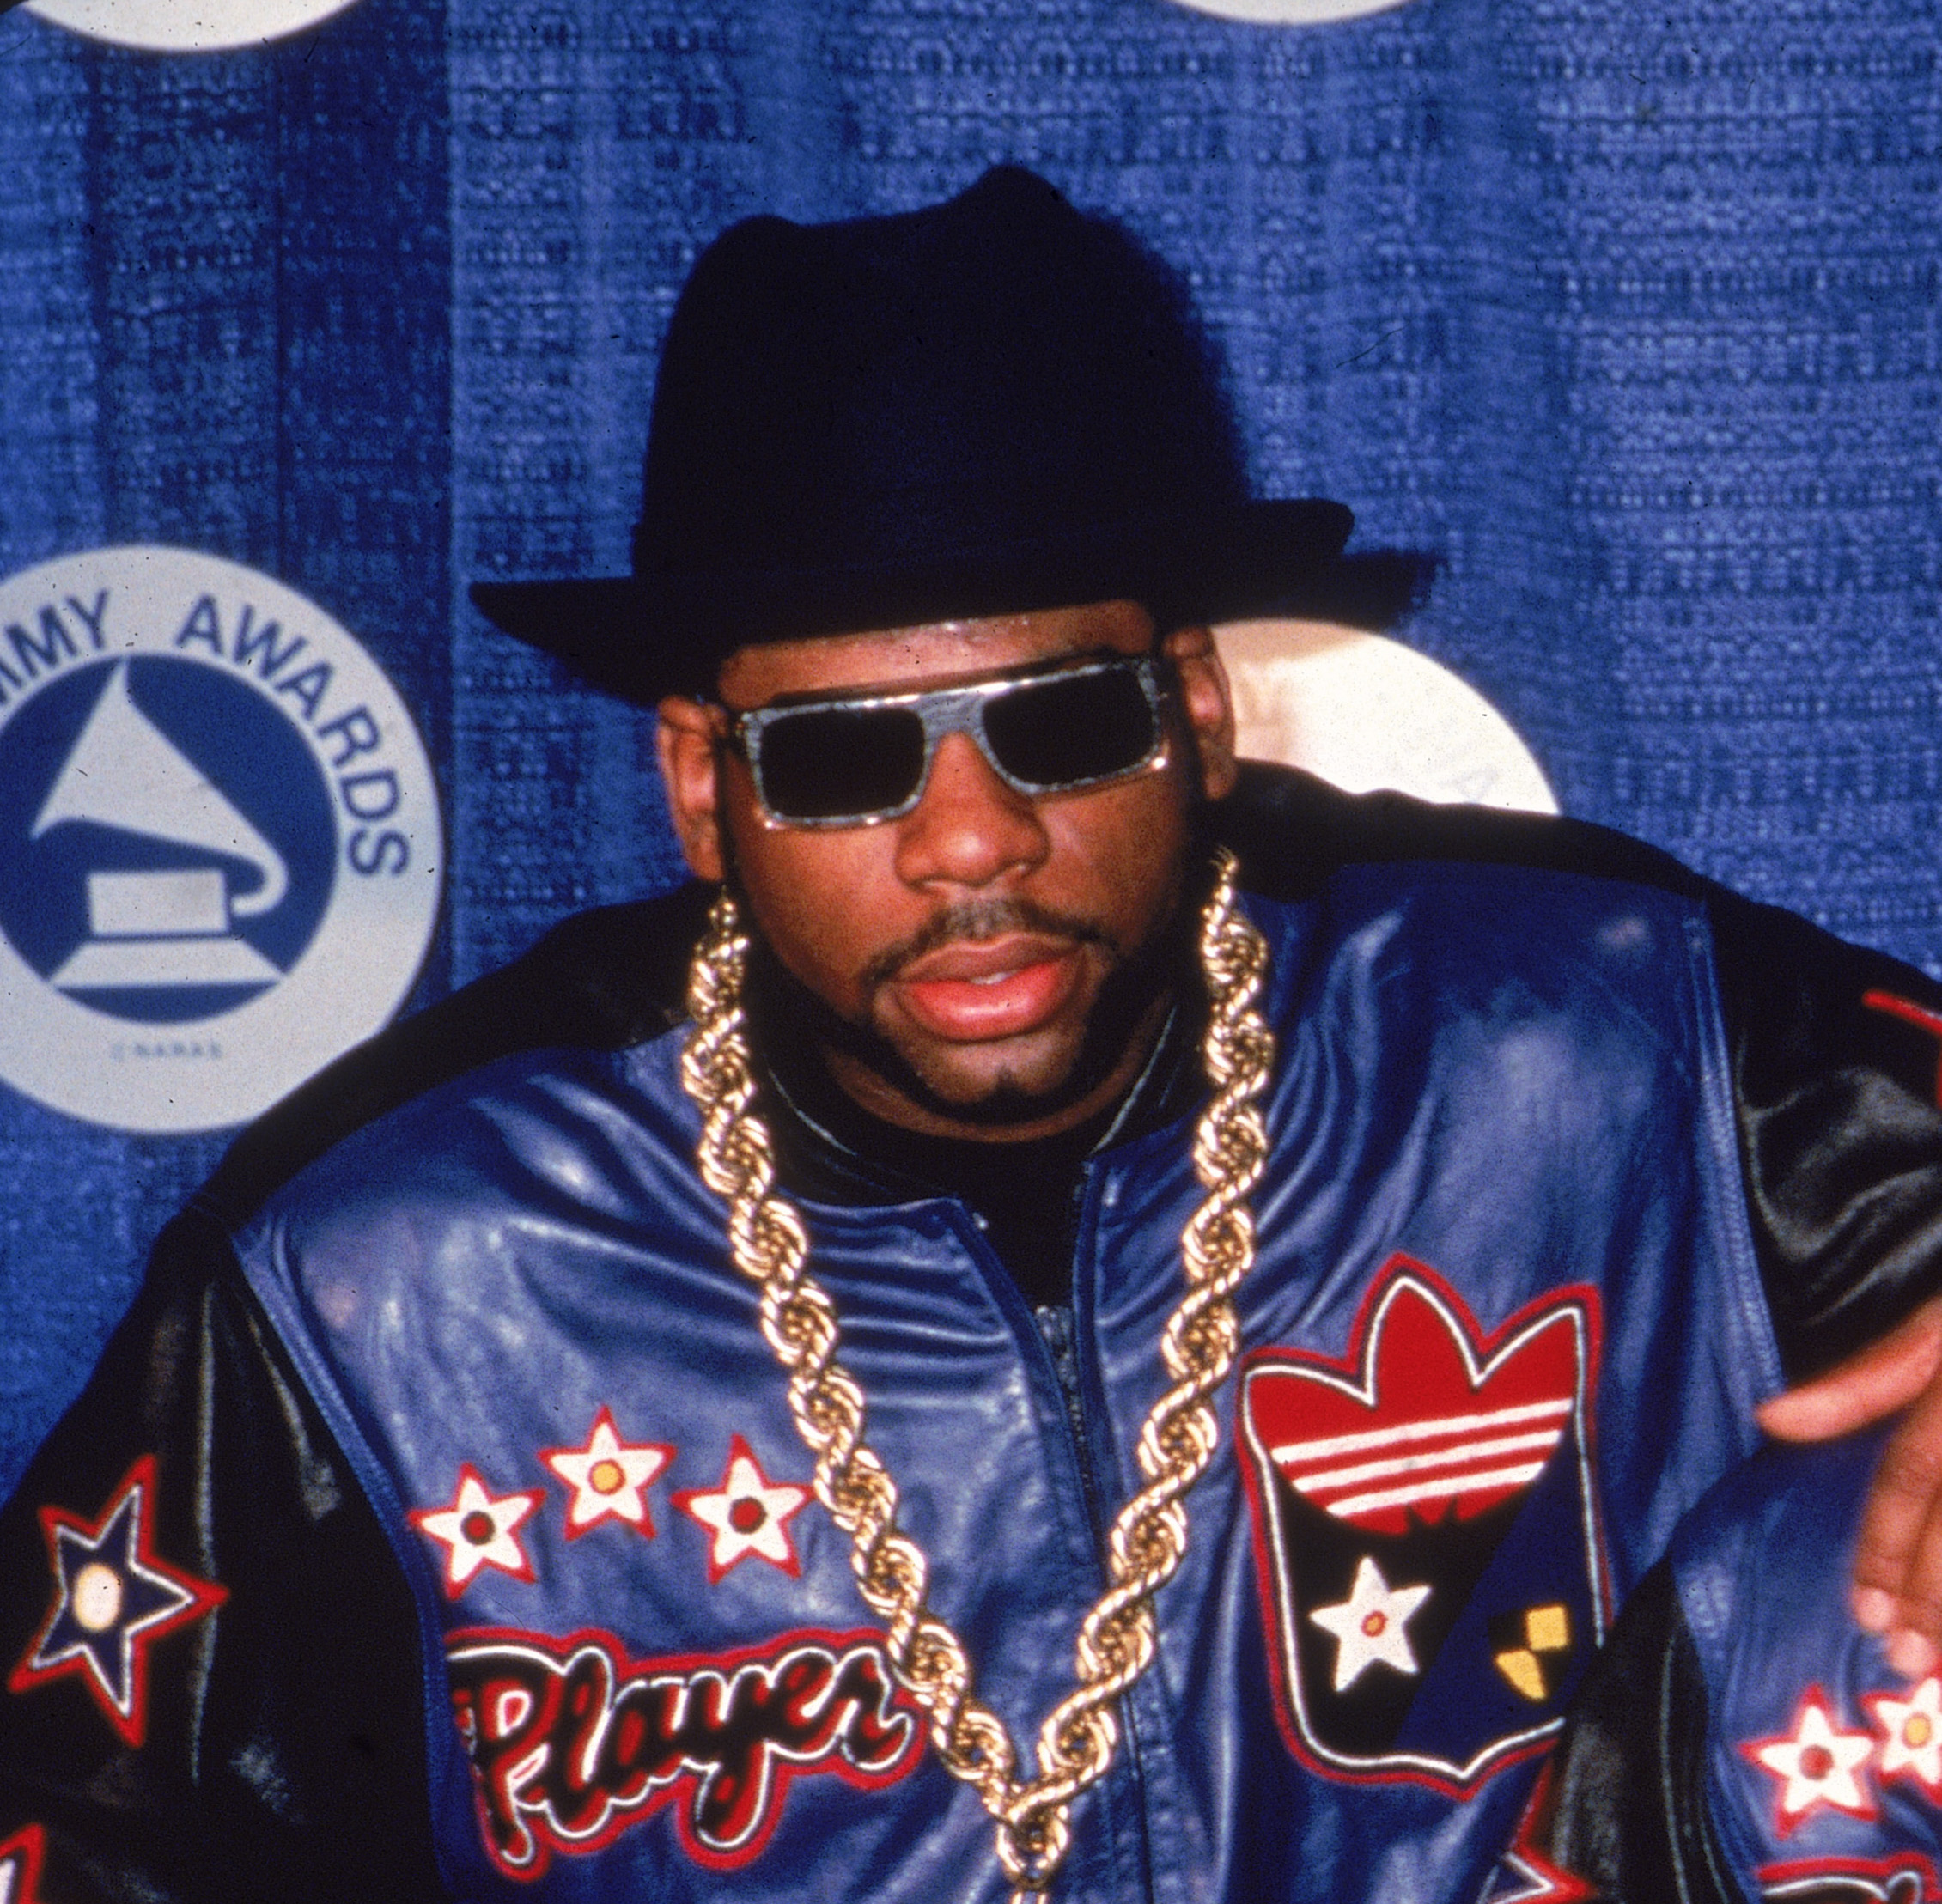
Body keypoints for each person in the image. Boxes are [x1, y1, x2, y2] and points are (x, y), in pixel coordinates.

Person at [0, 163, 1939, 1904]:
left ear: (1195, 713)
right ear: (700, 788)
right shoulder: (391, 1257)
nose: (971, 839)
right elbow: (73, 1811)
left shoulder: (1592, 1024)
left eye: (1062, 722)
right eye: (842, 758)